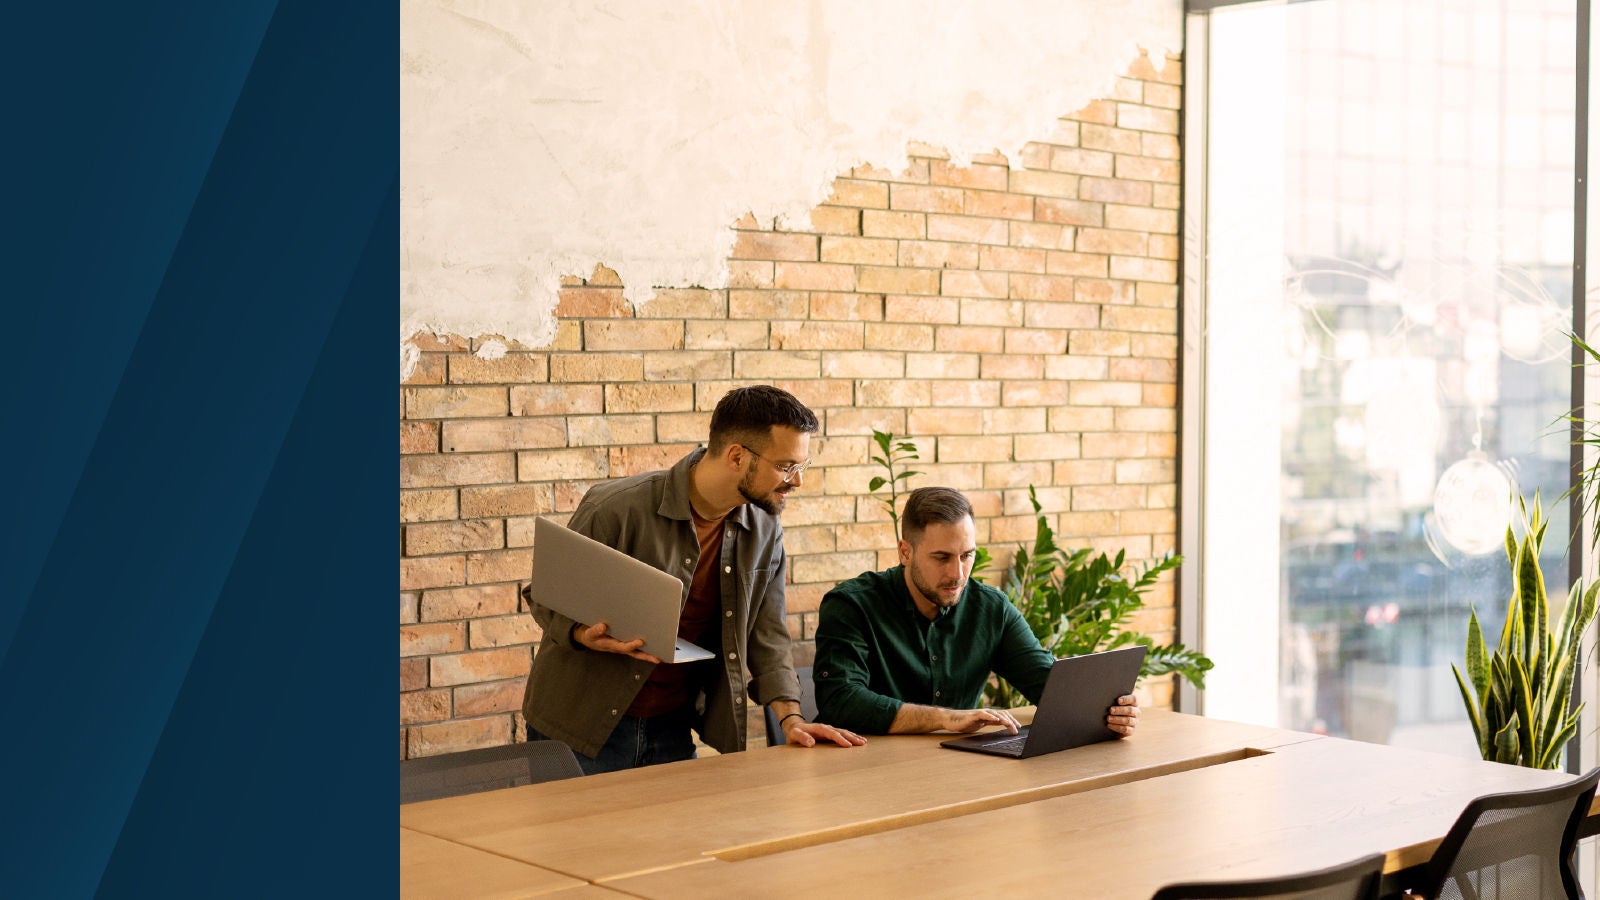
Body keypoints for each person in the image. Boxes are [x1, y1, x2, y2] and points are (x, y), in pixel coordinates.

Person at [522, 385, 865, 773]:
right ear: (737, 456)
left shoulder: (765, 527)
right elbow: (547, 594)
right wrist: (582, 634)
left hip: (672, 726)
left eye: (801, 467)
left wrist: (791, 718)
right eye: (786, 466)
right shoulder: (616, 508)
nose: (796, 481)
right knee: (575, 836)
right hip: (578, 726)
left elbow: (767, 634)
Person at [812, 486, 1141, 736]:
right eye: (941, 558)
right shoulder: (852, 606)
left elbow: (1047, 683)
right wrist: (945, 717)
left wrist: (1109, 710)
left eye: (966, 555)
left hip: (955, 774)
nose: (957, 574)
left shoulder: (990, 608)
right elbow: (841, 700)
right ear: (905, 552)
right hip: (863, 775)